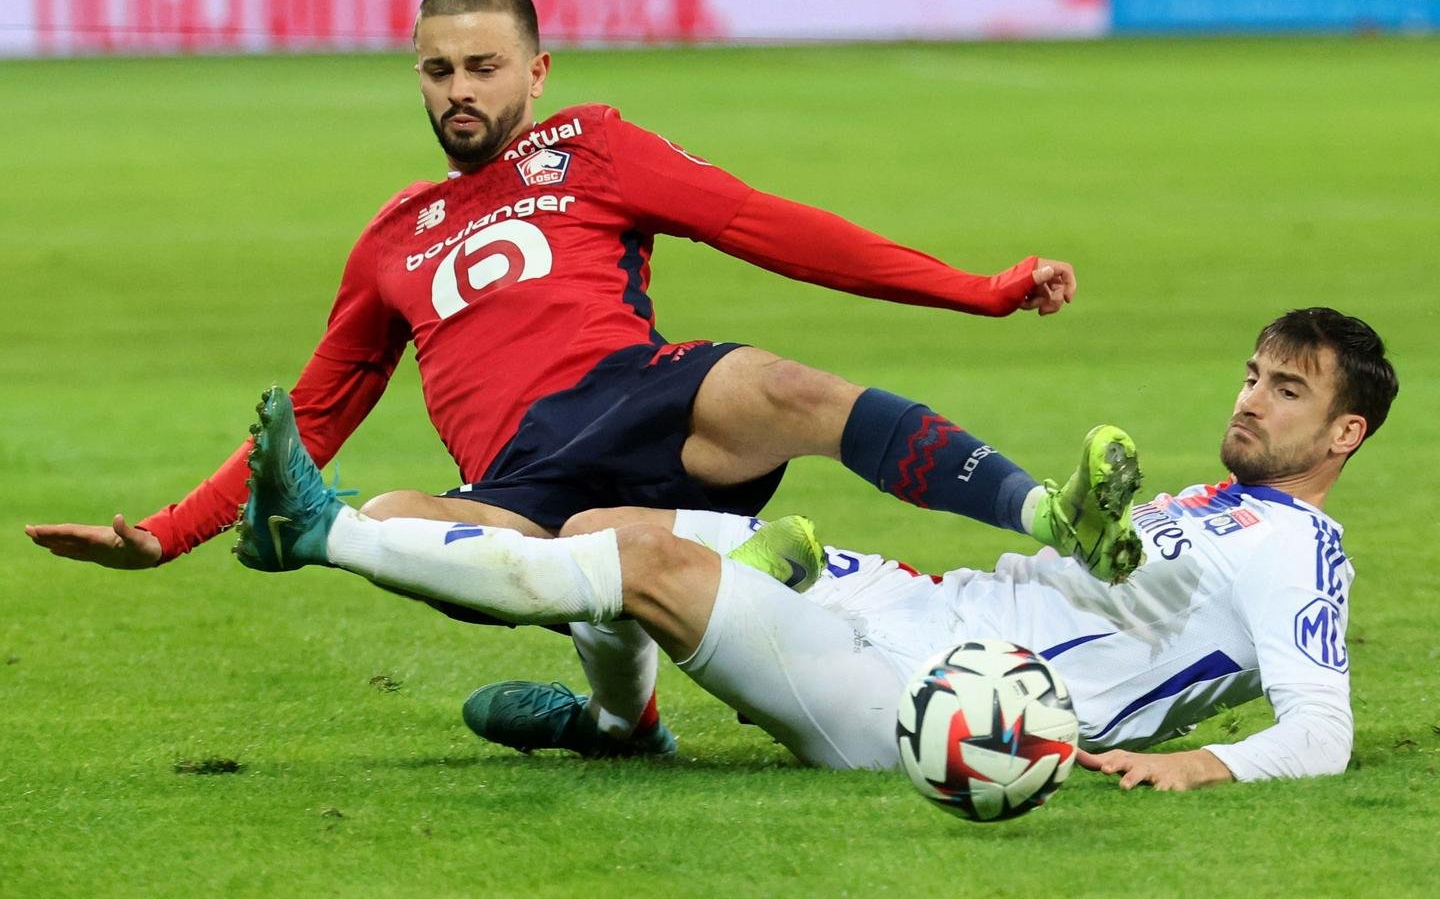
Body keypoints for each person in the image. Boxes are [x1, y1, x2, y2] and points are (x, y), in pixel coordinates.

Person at [27, 0, 1107, 750]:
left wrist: (979, 289)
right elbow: (305, 425)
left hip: (642, 398)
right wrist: (166, 539)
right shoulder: (391, 237)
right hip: (524, 480)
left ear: (536, 72)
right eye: (438, 70)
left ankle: (1045, 513)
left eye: (484, 67)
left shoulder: (585, 146)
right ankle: (622, 714)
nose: (460, 89)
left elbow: (761, 222)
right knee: (394, 525)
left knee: (779, 385)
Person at [233, 307, 1396, 787]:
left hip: (940, 708)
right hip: (915, 607)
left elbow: (1323, 732)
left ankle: (320, 531)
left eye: (1285, 392)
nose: (1251, 401)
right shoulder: (1210, 502)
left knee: (646, 573)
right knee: (597, 529)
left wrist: (1196, 766)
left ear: (1344, 433)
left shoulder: (1301, 551)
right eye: (1252, 376)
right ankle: (617, 723)